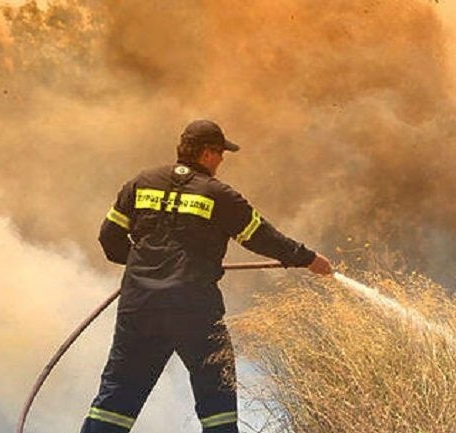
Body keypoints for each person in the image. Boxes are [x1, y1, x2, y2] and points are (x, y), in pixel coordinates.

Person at [80, 119, 332, 433]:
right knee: (217, 402)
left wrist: (145, 265)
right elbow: (262, 238)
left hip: (140, 306)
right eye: (221, 153)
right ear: (208, 153)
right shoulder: (219, 195)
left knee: (117, 398)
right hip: (194, 308)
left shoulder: (140, 183)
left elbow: (109, 239)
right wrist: (308, 259)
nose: (222, 160)